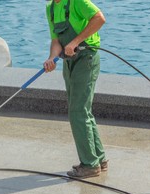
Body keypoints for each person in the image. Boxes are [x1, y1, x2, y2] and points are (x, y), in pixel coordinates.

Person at [43, 0, 108, 178]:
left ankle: (89, 164)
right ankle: (99, 159)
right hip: (69, 62)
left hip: (86, 58)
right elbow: (56, 40)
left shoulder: (77, 1)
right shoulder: (50, 8)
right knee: (82, 111)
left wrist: (75, 41)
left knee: (78, 111)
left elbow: (99, 18)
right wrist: (51, 58)